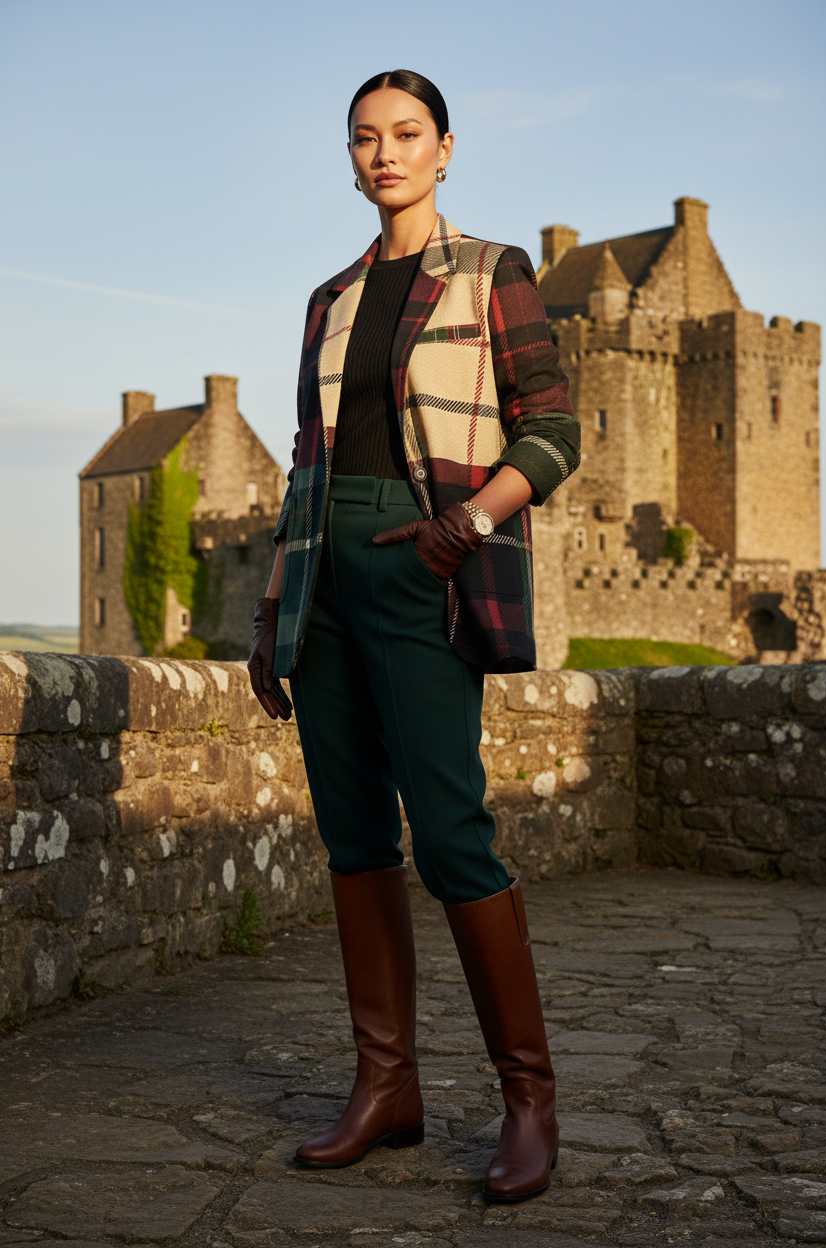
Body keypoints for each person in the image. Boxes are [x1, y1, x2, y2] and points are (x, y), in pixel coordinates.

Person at [248, 69, 580, 1203]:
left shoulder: (493, 272)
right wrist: (272, 608)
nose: (384, 152)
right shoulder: (329, 299)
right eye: (364, 137)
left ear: (444, 148)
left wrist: (466, 525)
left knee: (449, 833)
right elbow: (307, 460)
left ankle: (527, 1099)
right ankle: (385, 1085)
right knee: (352, 834)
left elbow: (553, 432)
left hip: (423, 565)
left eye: (405, 133)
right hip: (323, 578)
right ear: (351, 159)